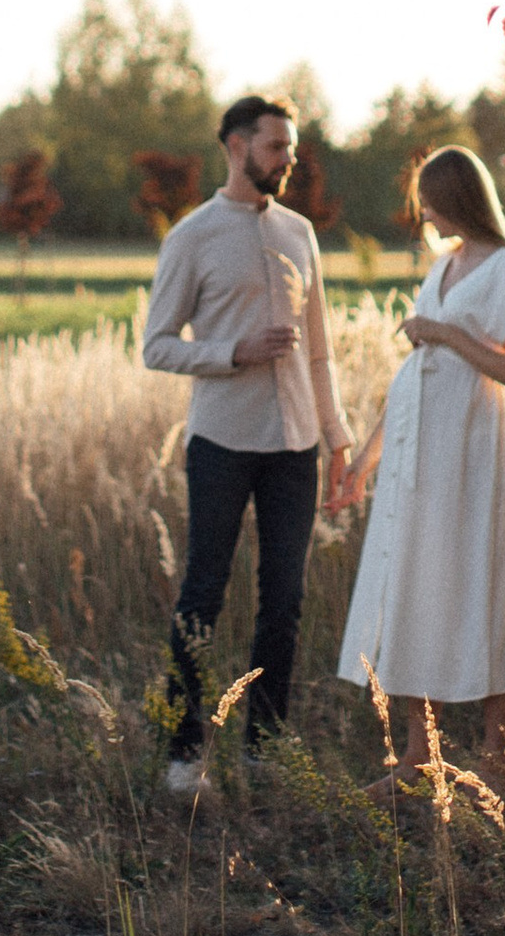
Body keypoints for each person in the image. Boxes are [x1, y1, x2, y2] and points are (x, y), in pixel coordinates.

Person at [142, 94, 352, 797]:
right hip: (223, 443)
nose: (287, 160)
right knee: (203, 594)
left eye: (290, 148)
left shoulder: (299, 233)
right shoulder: (192, 237)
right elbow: (157, 346)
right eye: (274, 148)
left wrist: (339, 439)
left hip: (296, 446)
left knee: (284, 601)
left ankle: (264, 750)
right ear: (236, 146)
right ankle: (183, 757)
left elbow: (320, 354)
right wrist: (233, 351)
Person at [331, 143, 505, 778]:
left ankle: (495, 757)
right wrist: (365, 460)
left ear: (456, 200)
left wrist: (446, 333)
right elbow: (414, 373)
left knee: (480, 580)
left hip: (470, 451)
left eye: (430, 200)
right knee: (412, 585)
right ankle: (421, 754)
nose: (423, 213)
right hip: (415, 452)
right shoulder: (439, 268)